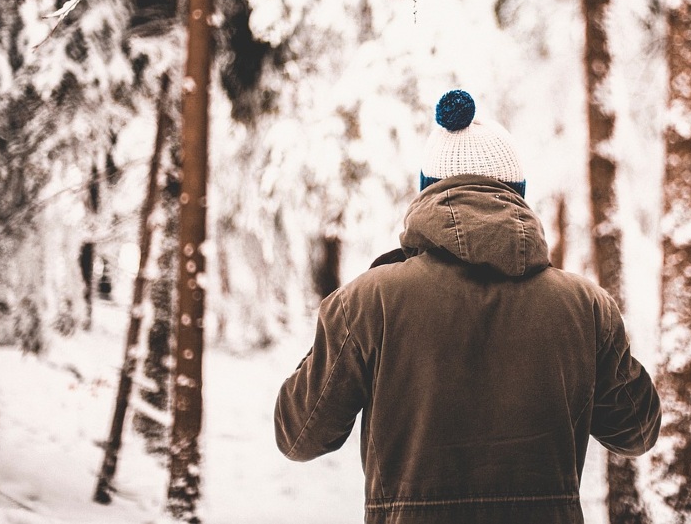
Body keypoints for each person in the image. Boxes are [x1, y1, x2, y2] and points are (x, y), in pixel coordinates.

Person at [275, 90, 661, 524]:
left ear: (427, 192)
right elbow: (638, 430)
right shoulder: (586, 306)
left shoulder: (368, 300)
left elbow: (298, 436)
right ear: (517, 195)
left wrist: (343, 322)